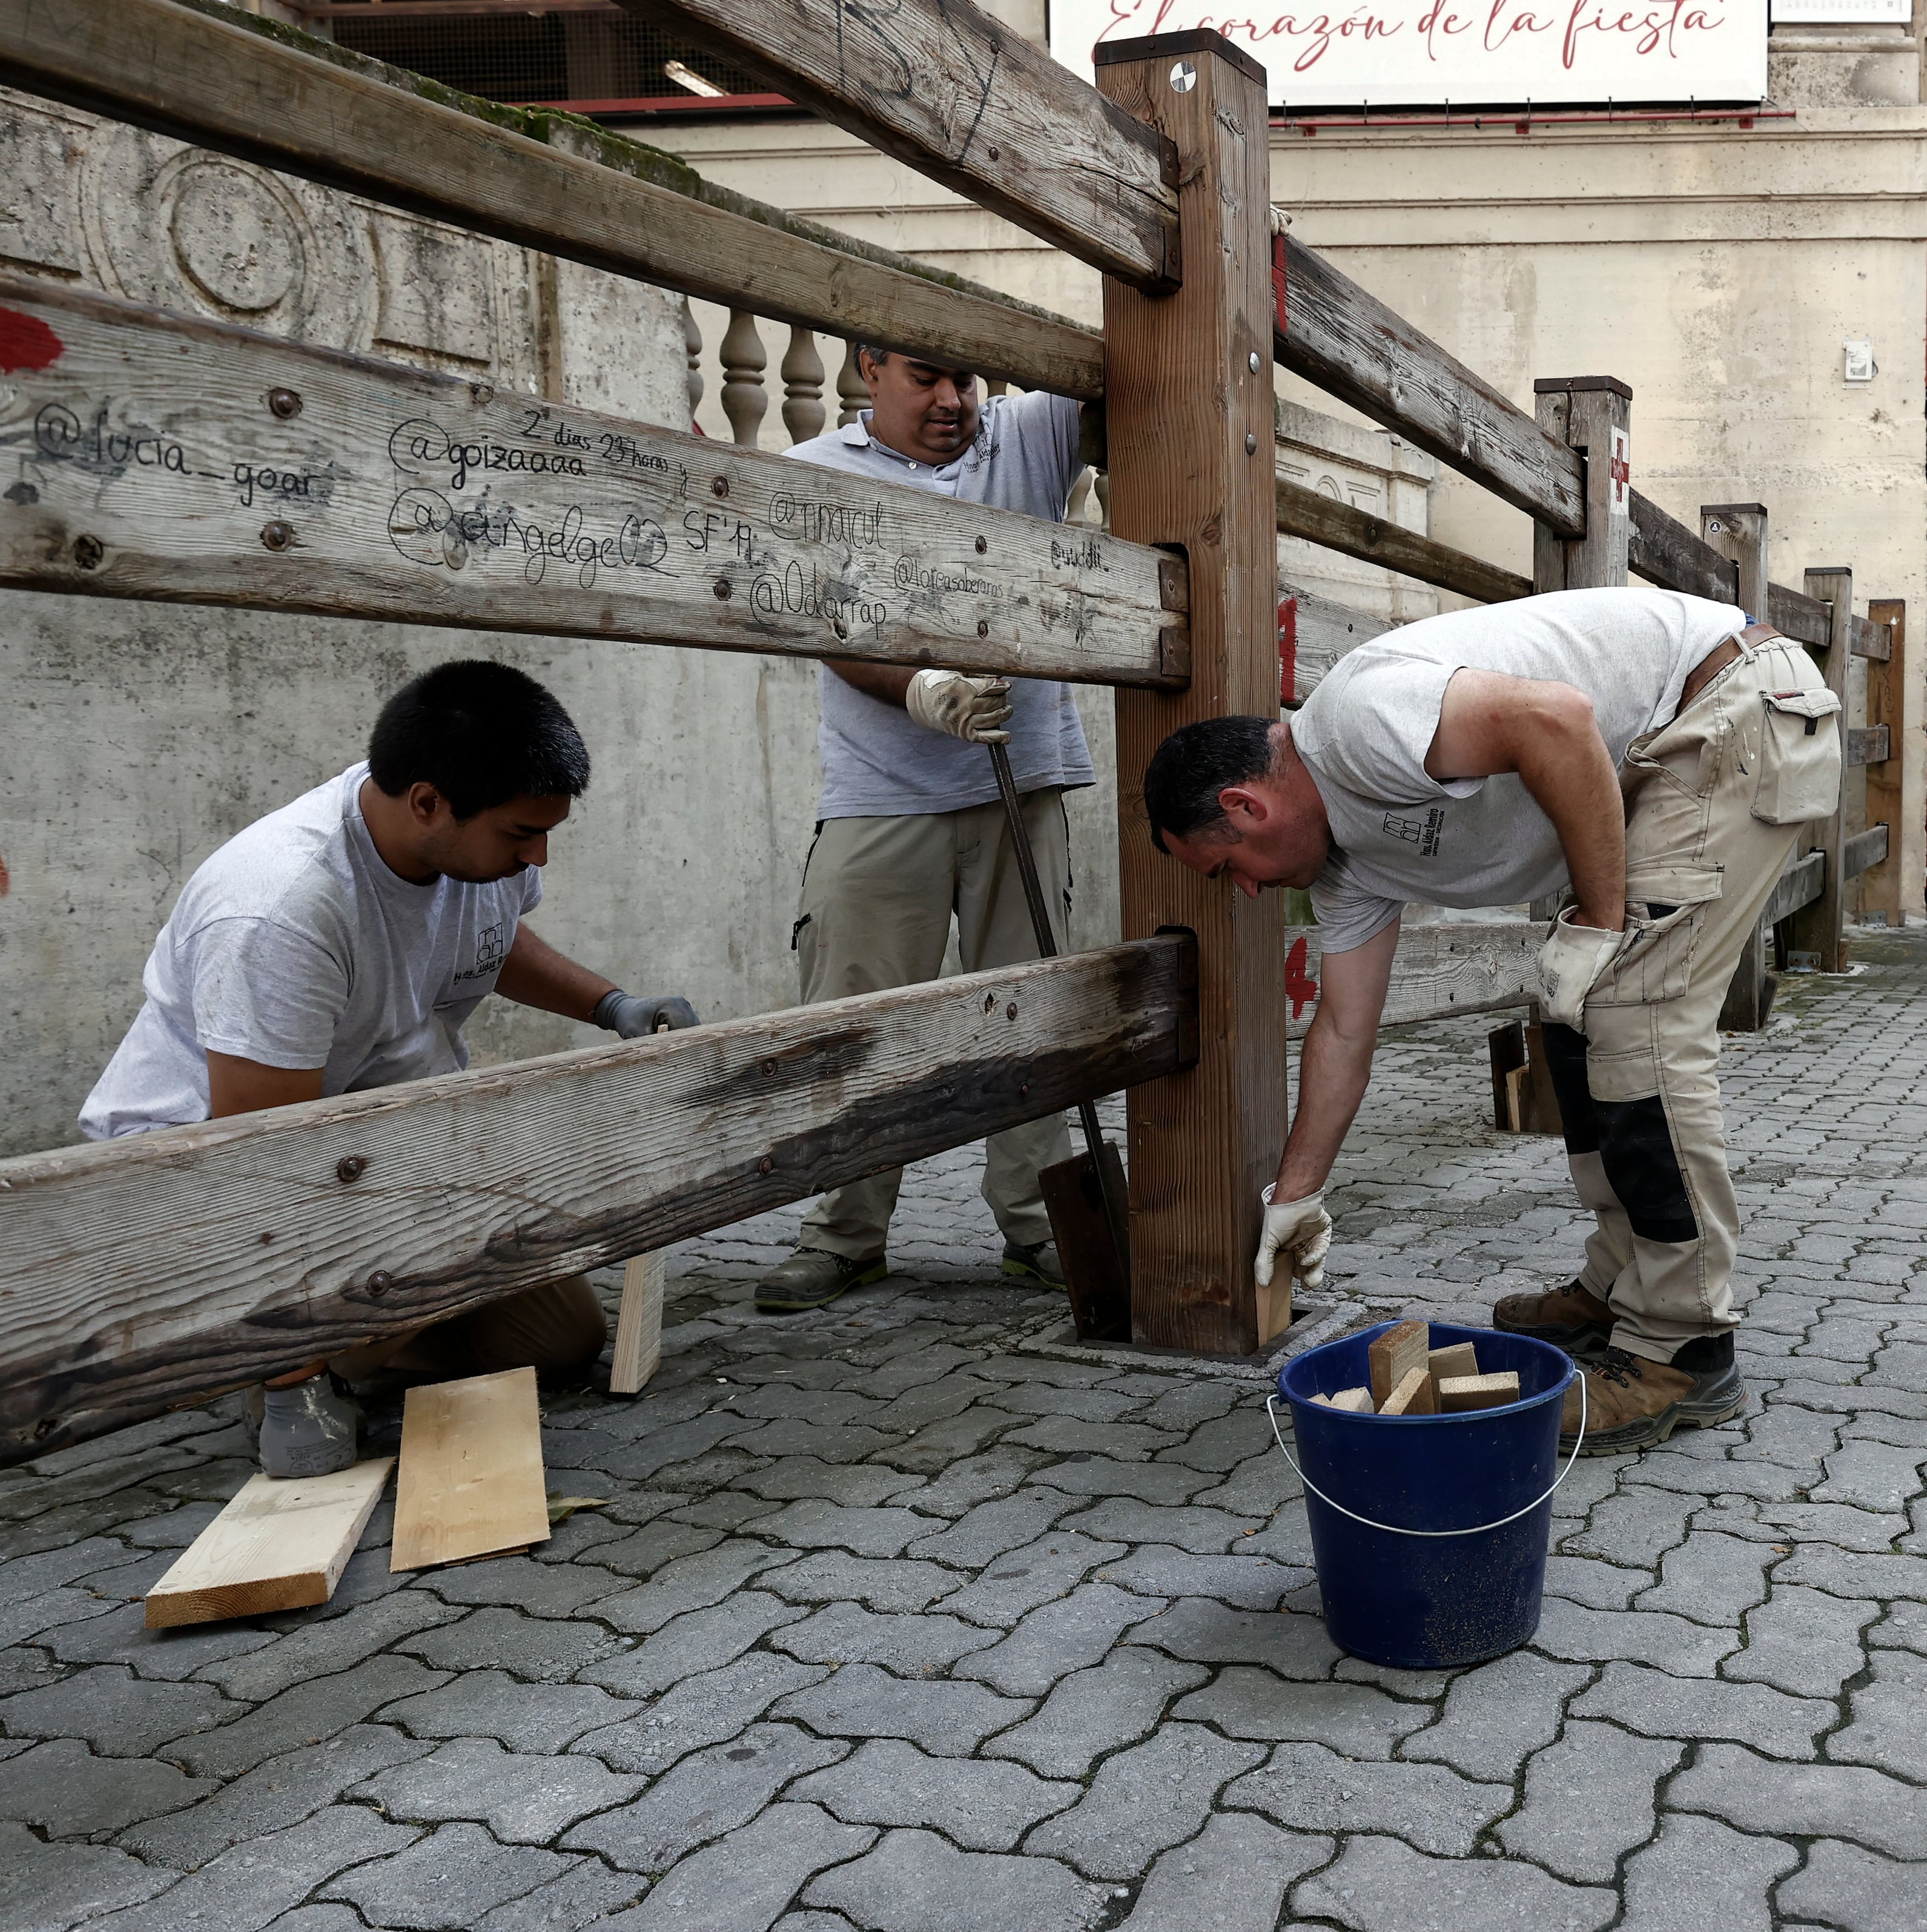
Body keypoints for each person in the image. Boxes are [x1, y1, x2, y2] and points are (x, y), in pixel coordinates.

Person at [1142, 587, 1844, 1452]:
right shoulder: (1345, 868)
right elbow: (1343, 1031)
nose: (1246, 891)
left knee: (1636, 1021)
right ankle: (1621, 1281)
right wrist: (1298, 1195)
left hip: (1727, 703)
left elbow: (1555, 718)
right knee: (1573, 1015)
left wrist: (1598, 919)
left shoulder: (1356, 725)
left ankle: (1682, 1347)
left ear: (1248, 807)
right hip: (1669, 742)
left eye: (1228, 869)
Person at [79, 661, 698, 1479]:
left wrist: (610, 1003)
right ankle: (265, 1358)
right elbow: (261, 1163)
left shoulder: (474, 851)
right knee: (378, 1267)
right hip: (198, 1200)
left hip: (365, 1157)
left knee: (558, 1340)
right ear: (427, 802)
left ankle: (357, 1339)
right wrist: (294, 1388)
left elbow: (492, 938)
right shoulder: (282, 909)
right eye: (521, 834)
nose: (538, 854)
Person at [752, 345, 1094, 1314]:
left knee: (1028, 1015)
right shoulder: (818, 474)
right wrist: (917, 687)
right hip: (878, 789)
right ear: (867, 368)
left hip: (1018, 787)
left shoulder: (1024, 438)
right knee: (852, 1017)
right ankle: (845, 1236)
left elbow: (1120, 363)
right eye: (924, 378)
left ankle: (1039, 1228)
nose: (952, 401)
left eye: (968, 378)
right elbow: (817, 616)